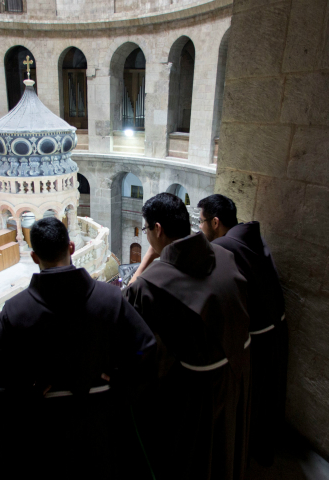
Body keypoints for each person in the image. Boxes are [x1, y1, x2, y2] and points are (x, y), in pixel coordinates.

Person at [0, 217, 156, 478]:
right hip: (104, 416)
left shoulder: (16, 310)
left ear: (35, 257)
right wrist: (122, 377)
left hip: (44, 424)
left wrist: (25, 397)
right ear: (71, 248)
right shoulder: (110, 298)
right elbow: (145, 348)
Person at [125, 192, 251, 480]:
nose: (146, 236)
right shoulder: (225, 255)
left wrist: (144, 265)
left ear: (157, 229)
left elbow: (138, 344)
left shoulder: (148, 284)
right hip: (237, 368)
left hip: (195, 392)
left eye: (146, 229)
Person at [197, 194, 287, 467]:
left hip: (258, 339)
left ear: (215, 222)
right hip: (276, 328)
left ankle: (250, 452)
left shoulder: (224, 247)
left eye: (200, 222)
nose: (199, 228)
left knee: (253, 402)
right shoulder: (247, 234)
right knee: (269, 397)